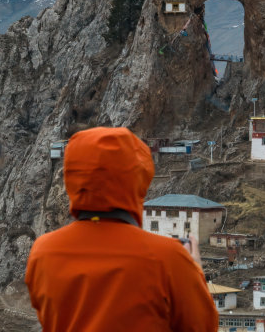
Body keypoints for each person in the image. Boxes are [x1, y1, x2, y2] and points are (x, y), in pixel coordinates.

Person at [25, 127, 218, 332]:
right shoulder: (168, 258)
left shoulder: (44, 252)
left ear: (72, 175)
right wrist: (194, 269)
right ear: (139, 176)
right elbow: (202, 327)